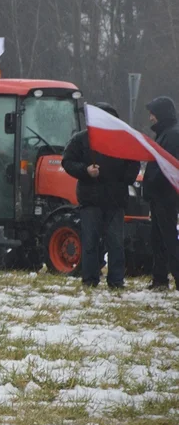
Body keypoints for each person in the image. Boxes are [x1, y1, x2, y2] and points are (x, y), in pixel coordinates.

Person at [61, 103, 140, 289]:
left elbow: (134, 163)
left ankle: (116, 281)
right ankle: (90, 280)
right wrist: (86, 170)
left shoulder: (123, 140)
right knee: (90, 243)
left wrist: (124, 178)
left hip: (115, 201)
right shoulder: (81, 139)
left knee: (116, 244)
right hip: (91, 201)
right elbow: (67, 161)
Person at [145, 96, 179, 291]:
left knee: (167, 238)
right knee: (157, 238)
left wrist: (151, 182)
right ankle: (159, 279)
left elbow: (167, 167)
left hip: (165, 196)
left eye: (153, 114)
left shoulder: (172, 136)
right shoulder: (165, 134)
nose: (151, 119)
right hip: (158, 196)